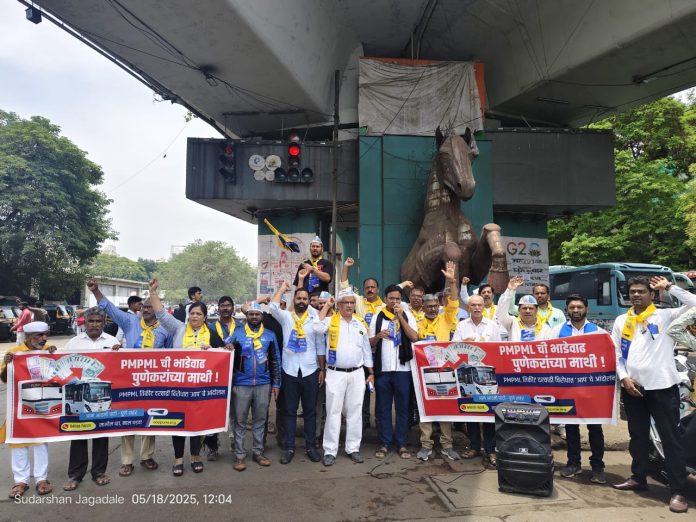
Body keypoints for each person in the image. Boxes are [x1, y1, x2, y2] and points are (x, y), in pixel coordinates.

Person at [611, 276, 696, 514]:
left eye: (641, 291)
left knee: (671, 440)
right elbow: (616, 353)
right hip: (633, 388)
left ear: (651, 294)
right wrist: (624, 378)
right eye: (633, 292)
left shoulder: (666, 315)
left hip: (663, 387)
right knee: (638, 437)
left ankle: (678, 490)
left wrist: (670, 287)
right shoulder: (622, 320)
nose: (636, 295)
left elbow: (694, 304)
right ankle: (638, 477)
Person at [86, 279, 168, 477]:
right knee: (128, 417)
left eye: (149, 306)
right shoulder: (130, 322)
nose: (145, 309)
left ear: (158, 309)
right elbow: (109, 308)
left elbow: (172, 354)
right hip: (129, 381)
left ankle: (147, 456)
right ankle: (127, 461)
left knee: (150, 416)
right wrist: (96, 291)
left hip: (153, 381)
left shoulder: (165, 329)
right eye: (143, 306)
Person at [148, 279, 229, 476]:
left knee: (197, 423)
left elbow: (225, 355)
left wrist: (214, 350)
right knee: (177, 421)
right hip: (178, 387)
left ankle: (195, 456)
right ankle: (178, 459)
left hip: (201, 389)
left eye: (198, 314)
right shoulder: (178, 329)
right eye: (192, 313)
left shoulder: (211, 334)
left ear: (204, 317)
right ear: (188, 315)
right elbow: (160, 313)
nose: (194, 316)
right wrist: (152, 292)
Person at [550, 294, 607, 484]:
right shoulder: (557, 331)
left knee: (595, 428)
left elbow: (606, 357)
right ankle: (573, 464)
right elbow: (547, 354)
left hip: (591, 388)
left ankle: (598, 467)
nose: (576, 310)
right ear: (567, 310)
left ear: (586, 309)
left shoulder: (598, 332)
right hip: (567, 388)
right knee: (571, 427)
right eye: (572, 307)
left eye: (579, 307)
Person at [62, 307, 120, 491]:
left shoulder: (113, 342)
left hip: (101, 396)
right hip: (80, 397)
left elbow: (120, 367)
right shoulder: (74, 343)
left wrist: (119, 352)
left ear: (104, 323)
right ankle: (75, 475)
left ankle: (99, 472)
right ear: (85, 322)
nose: (95, 324)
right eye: (91, 321)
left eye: (98, 321)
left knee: (101, 435)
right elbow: (62, 365)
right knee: (79, 436)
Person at [315, 289, 374, 465]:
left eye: (351, 302)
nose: (349, 305)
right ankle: (330, 450)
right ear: (339, 305)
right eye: (345, 302)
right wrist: (327, 305)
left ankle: (353, 448)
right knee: (333, 411)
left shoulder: (360, 323)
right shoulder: (330, 321)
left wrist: (371, 373)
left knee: (355, 411)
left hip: (357, 373)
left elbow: (366, 350)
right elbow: (316, 327)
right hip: (335, 373)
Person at [269, 279, 325, 465]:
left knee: (310, 412)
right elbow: (272, 307)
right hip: (290, 371)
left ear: (309, 301)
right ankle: (290, 448)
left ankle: (311, 447)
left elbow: (320, 346)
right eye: (298, 298)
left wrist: (322, 369)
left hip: (310, 370)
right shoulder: (286, 317)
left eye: (304, 298)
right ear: (294, 300)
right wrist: (282, 289)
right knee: (289, 412)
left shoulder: (315, 318)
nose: (302, 301)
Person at [1, 321, 57, 498]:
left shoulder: (49, 351)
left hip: (42, 406)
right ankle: (21, 481)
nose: (44, 338)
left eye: (45, 334)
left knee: (41, 442)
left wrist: (55, 355)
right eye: (39, 335)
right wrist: (7, 364)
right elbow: (4, 378)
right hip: (20, 406)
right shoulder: (14, 353)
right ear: (27, 337)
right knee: (18, 443)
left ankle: (42, 479)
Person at [226, 303, 281, 471]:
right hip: (241, 383)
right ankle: (239, 456)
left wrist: (276, 383)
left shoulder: (269, 335)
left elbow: (275, 360)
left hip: (263, 384)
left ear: (261, 316)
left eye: (257, 314)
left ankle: (258, 452)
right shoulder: (238, 333)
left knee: (260, 420)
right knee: (240, 421)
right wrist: (228, 346)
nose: (254, 317)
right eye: (251, 314)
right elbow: (225, 351)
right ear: (247, 316)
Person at [416, 261, 461, 462]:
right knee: (425, 408)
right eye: (429, 306)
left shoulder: (446, 318)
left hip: (444, 370)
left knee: (444, 408)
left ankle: (447, 445)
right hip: (423, 371)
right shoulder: (417, 322)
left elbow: (454, 301)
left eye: (435, 305)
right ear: (423, 307)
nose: (433, 309)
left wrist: (452, 282)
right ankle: (426, 445)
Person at [452, 294, 501, 467]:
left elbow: (498, 348)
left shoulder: (492, 325)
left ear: (484, 306)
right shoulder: (462, 325)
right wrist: (463, 342)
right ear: (468, 307)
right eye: (473, 305)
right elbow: (453, 347)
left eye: (479, 305)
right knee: (471, 412)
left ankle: (490, 449)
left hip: (487, 375)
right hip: (468, 376)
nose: (477, 308)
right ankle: (474, 446)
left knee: (489, 413)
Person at [370, 284, 419, 459]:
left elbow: (414, 337)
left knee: (403, 408)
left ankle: (401, 443)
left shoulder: (408, 315)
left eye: (398, 299)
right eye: (391, 298)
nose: (394, 301)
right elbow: (369, 343)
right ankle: (384, 443)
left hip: (403, 369)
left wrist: (400, 318)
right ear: (385, 299)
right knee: (383, 408)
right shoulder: (377, 317)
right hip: (383, 369)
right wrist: (378, 336)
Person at [204, 295, 238, 461]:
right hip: (215, 377)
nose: (225, 308)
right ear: (218, 308)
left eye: (228, 305)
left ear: (233, 308)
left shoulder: (241, 327)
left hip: (237, 375)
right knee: (213, 412)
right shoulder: (210, 328)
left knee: (235, 411)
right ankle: (212, 446)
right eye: (222, 305)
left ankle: (235, 442)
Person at [496, 276, 552, 342]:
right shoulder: (512, 323)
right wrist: (509, 291)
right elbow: (501, 312)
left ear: (536, 310)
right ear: (519, 310)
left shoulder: (545, 329)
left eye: (531, 308)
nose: (527, 311)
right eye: (524, 308)